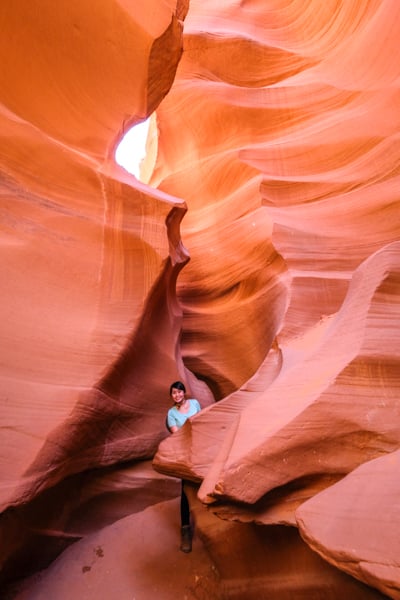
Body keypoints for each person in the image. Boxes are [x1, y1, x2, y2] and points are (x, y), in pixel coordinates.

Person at [166, 380, 201, 553]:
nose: (177, 395)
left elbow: (204, 422)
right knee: (185, 490)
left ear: (184, 392)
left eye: (179, 392)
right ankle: (185, 529)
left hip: (202, 450)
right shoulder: (171, 413)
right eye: (174, 393)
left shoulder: (195, 403)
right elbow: (177, 434)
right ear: (171, 395)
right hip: (186, 454)